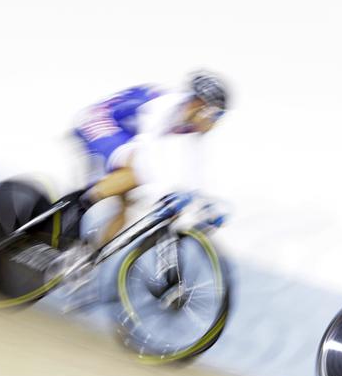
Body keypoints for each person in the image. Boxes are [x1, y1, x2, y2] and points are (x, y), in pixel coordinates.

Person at [69, 71, 228, 254]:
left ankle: (84, 260)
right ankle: (76, 211)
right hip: (99, 120)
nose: (216, 123)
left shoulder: (191, 121)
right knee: (136, 170)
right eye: (216, 115)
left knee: (125, 207)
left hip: (123, 133)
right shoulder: (166, 106)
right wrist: (163, 194)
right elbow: (147, 151)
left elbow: (194, 165)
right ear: (200, 104)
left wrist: (200, 201)